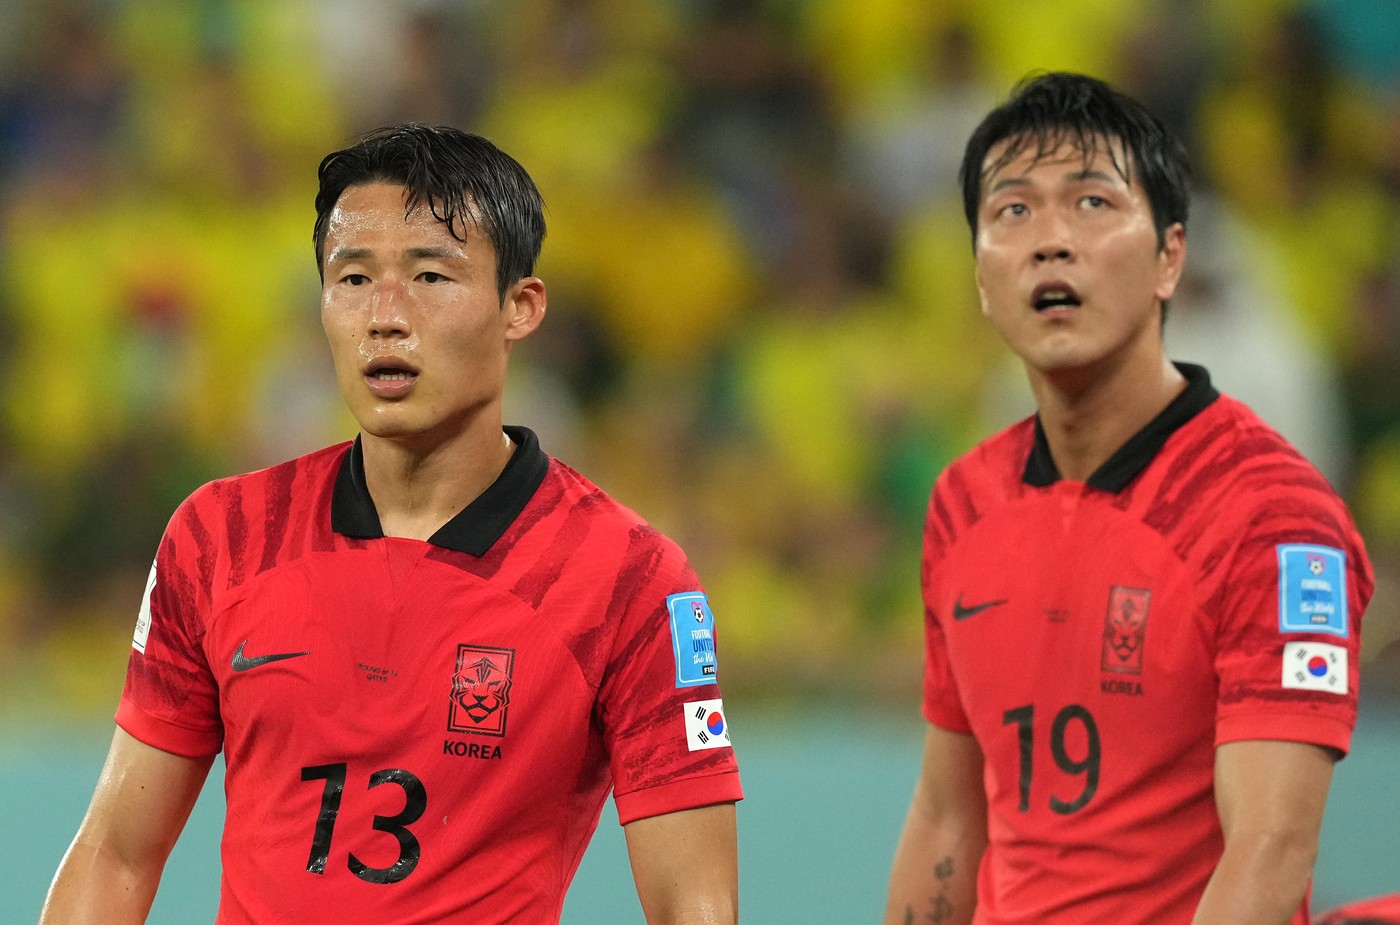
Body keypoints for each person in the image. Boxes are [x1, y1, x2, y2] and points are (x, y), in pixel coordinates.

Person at [40, 124, 742, 925]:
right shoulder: (220, 537)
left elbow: (695, 903)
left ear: (522, 307)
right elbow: (116, 851)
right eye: (353, 278)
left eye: (431, 276)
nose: (385, 316)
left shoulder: (630, 580)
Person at [883, 72, 1372, 925]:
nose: (1050, 241)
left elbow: (1272, 848)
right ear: (979, 278)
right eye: (1013, 211)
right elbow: (947, 815)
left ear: (1170, 257)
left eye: (1093, 204)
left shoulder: (1273, 519)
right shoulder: (965, 503)